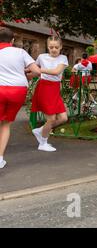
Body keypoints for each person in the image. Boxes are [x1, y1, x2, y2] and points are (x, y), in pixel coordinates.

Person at [0, 27, 41, 168]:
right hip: (18, 90)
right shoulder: (21, 52)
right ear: (12, 40)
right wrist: (24, 74)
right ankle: (0, 159)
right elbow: (36, 71)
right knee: (5, 124)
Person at [30, 36, 69, 152]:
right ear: (47, 47)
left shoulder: (63, 58)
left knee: (63, 118)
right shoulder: (41, 57)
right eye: (51, 47)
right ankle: (43, 143)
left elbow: (57, 72)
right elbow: (33, 71)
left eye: (56, 47)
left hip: (55, 88)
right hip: (44, 87)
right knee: (51, 118)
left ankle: (40, 130)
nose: (54, 49)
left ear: (61, 47)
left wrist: (39, 70)